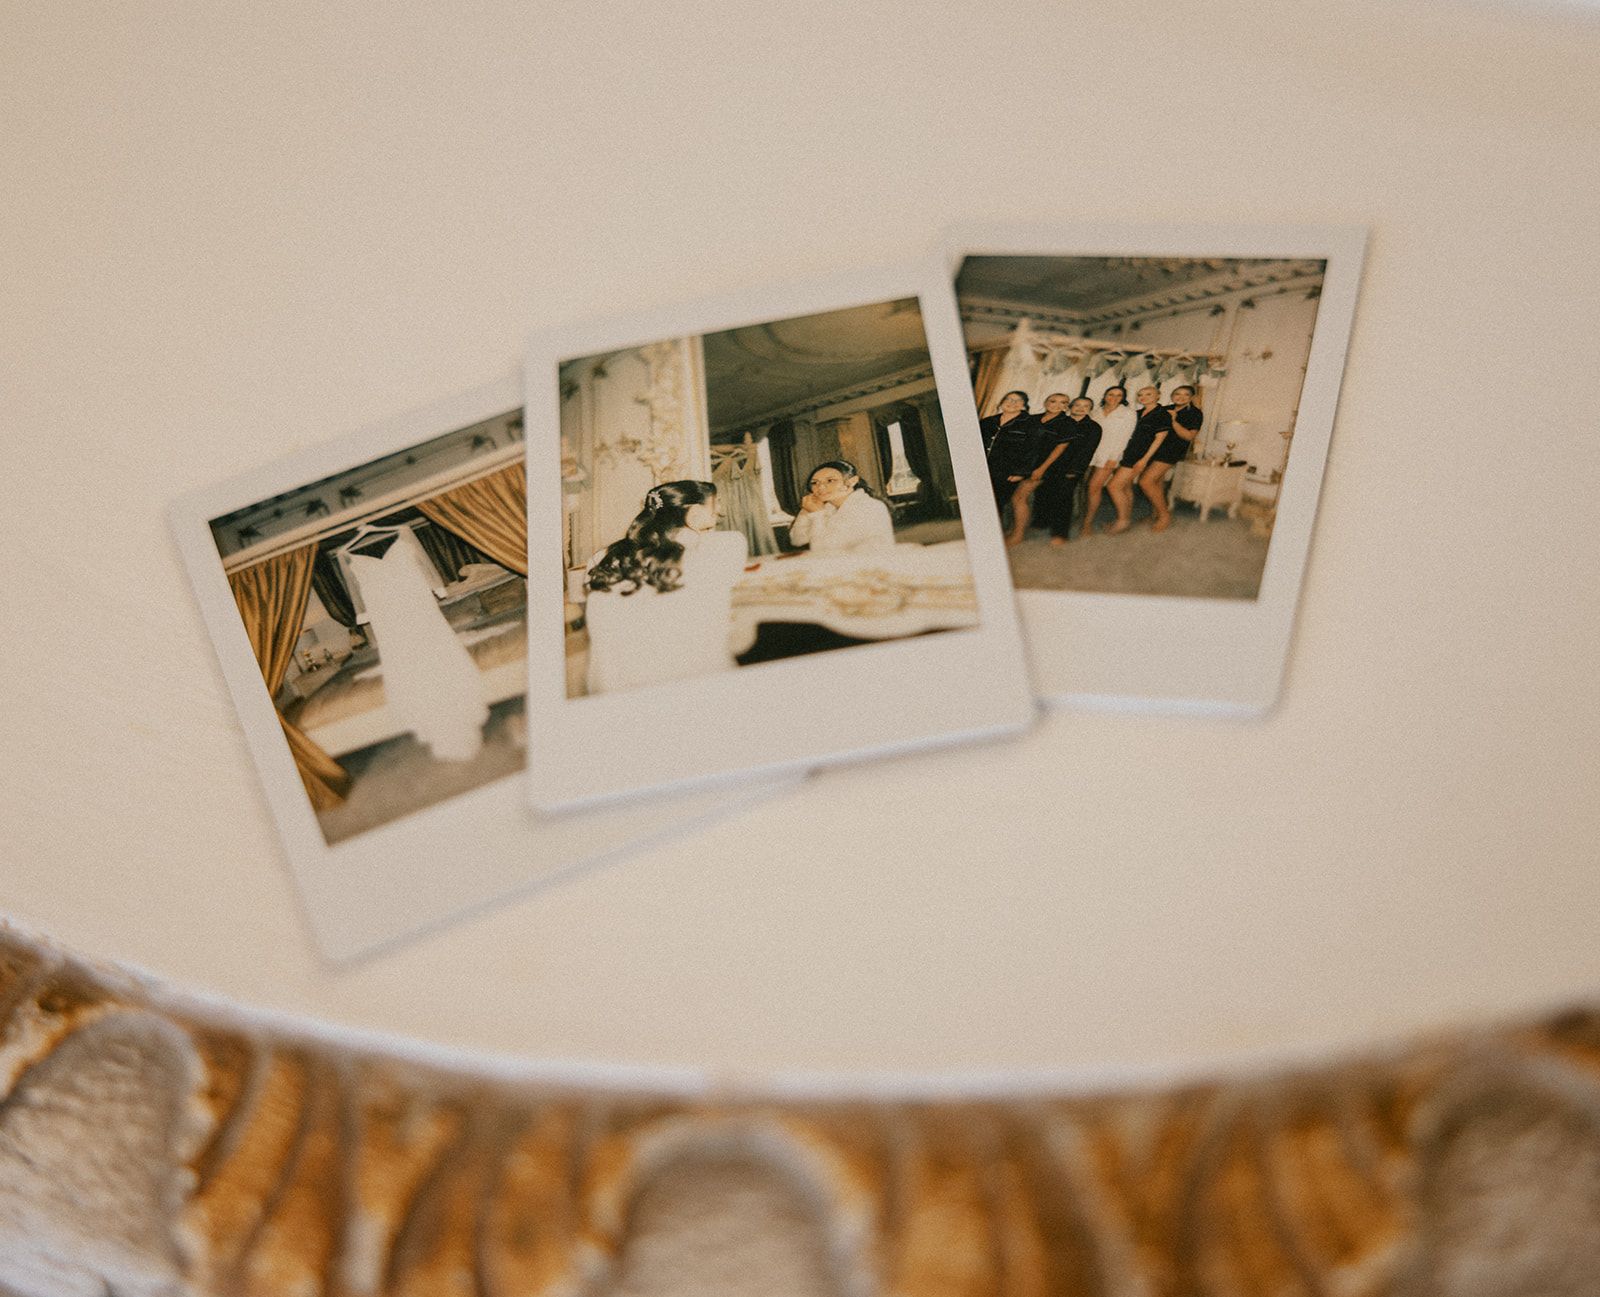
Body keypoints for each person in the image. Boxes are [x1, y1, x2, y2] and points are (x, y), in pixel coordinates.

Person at [583, 480, 749, 694]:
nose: (720, 510)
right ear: (696, 512)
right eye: (715, 505)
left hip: (614, 685)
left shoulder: (601, 557)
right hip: (695, 682)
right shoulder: (725, 547)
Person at [1029, 395, 1102, 545]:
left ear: (1090, 410)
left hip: (1070, 468)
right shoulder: (1061, 422)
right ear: (1070, 407)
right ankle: (1042, 521)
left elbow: (1087, 451)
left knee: (1063, 499)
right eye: (1077, 405)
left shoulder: (1093, 427)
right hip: (1050, 465)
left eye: (1085, 406)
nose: (1081, 408)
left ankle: (1060, 533)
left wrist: (1074, 470)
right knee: (1043, 492)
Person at [1105, 386, 1173, 534]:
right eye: (1140, 394)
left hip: (1142, 456)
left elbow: (1159, 439)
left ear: (1158, 395)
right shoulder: (1137, 413)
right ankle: (1125, 519)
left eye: (1149, 394)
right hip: (1130, 453)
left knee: (1114, 486)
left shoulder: (1162, 414)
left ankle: (1162, 516)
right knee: (1125, 486)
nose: (1144, 397)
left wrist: (1144, 460)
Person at [788, 460, 894, 554]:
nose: (820, 487)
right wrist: (806, 511)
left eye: (830, 481)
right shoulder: (827, 506)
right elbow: (797, 540)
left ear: (852, 481)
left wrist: (816, 515)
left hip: (869, 568)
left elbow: (822, 551)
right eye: (815, 483)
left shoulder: (868, 507)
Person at [1079, 384, 1136, 537]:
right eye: (1111, 394)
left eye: (1119, 395)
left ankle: (1087, 523)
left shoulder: (1128, 413)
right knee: (1125, 487)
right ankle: (1125, 519)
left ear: (1123, 398)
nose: (1114, 398)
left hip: (1112, 455)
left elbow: (1126, 437)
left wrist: (1114, 457)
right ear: (1105, 395)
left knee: (1093, 487)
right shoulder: (1095, 412)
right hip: (1095, 453)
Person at [981, 390, 1039, 535]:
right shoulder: (987, 422)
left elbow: (1033, 450)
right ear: (1001, 402)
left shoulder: (1031, 424)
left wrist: (1020, 472)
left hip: (1007, 472)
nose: (1012, 403)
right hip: (982, 469)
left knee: (996, 504)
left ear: (1024, 406)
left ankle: (995, 535)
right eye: (1008, 399)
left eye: (1017, 401)